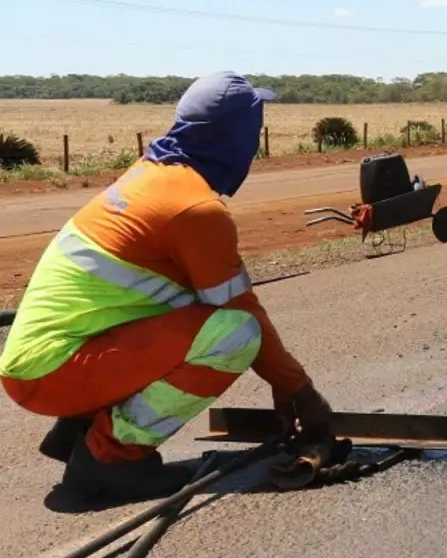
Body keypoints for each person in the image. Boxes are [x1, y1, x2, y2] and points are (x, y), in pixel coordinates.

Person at [1, 71, 332, 502]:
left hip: (38, 363)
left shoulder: (149, 174)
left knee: (183, 302)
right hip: (52, 374)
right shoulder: (194, 209)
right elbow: (240, 307)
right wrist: (299, 390)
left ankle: (82, 428)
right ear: (237, 136)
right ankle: (111, 457)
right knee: (235, 334)